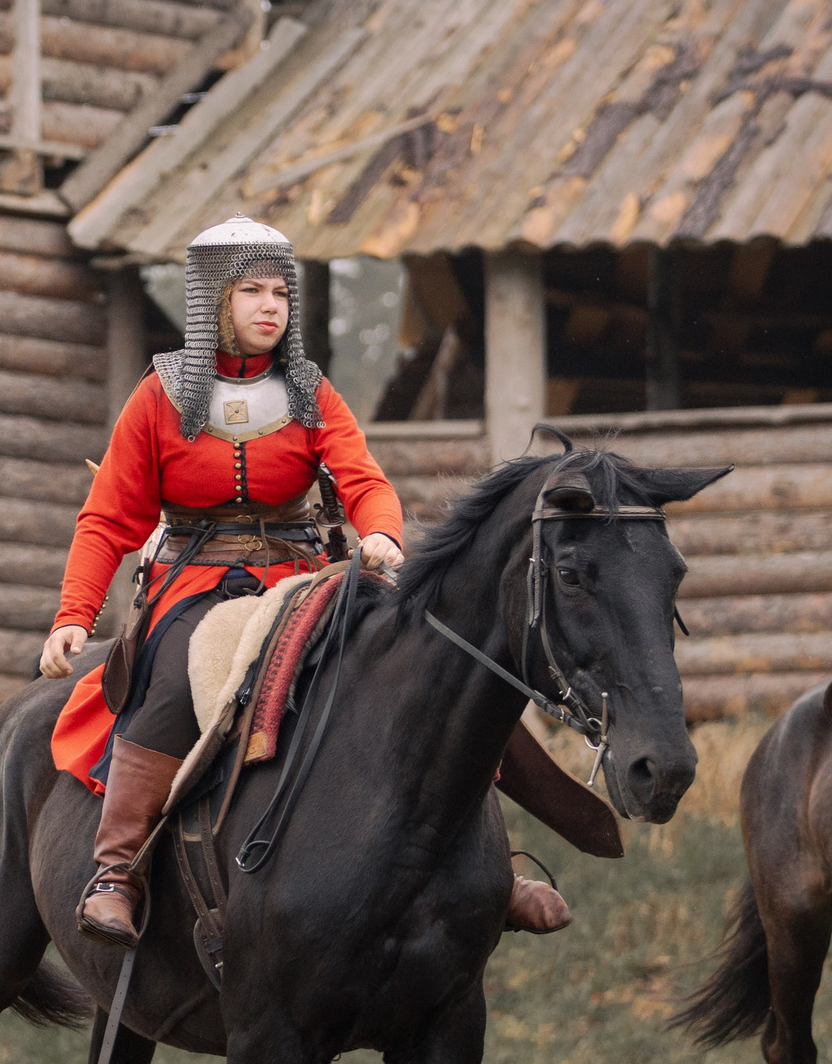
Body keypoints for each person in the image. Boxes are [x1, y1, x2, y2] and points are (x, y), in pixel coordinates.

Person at [42, 216, 571, 945]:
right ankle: (115, 871)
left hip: (301, 576)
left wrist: (380, 530)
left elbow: (362, 477)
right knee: (168, 673)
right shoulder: (158, 398)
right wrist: (75, 612)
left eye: (281, 294)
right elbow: (107, 520)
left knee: (414, 667)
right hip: (194, 582)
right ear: (214, 302)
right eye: (251, 291)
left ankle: (486, 867)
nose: (270, 306)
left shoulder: (311, 392)